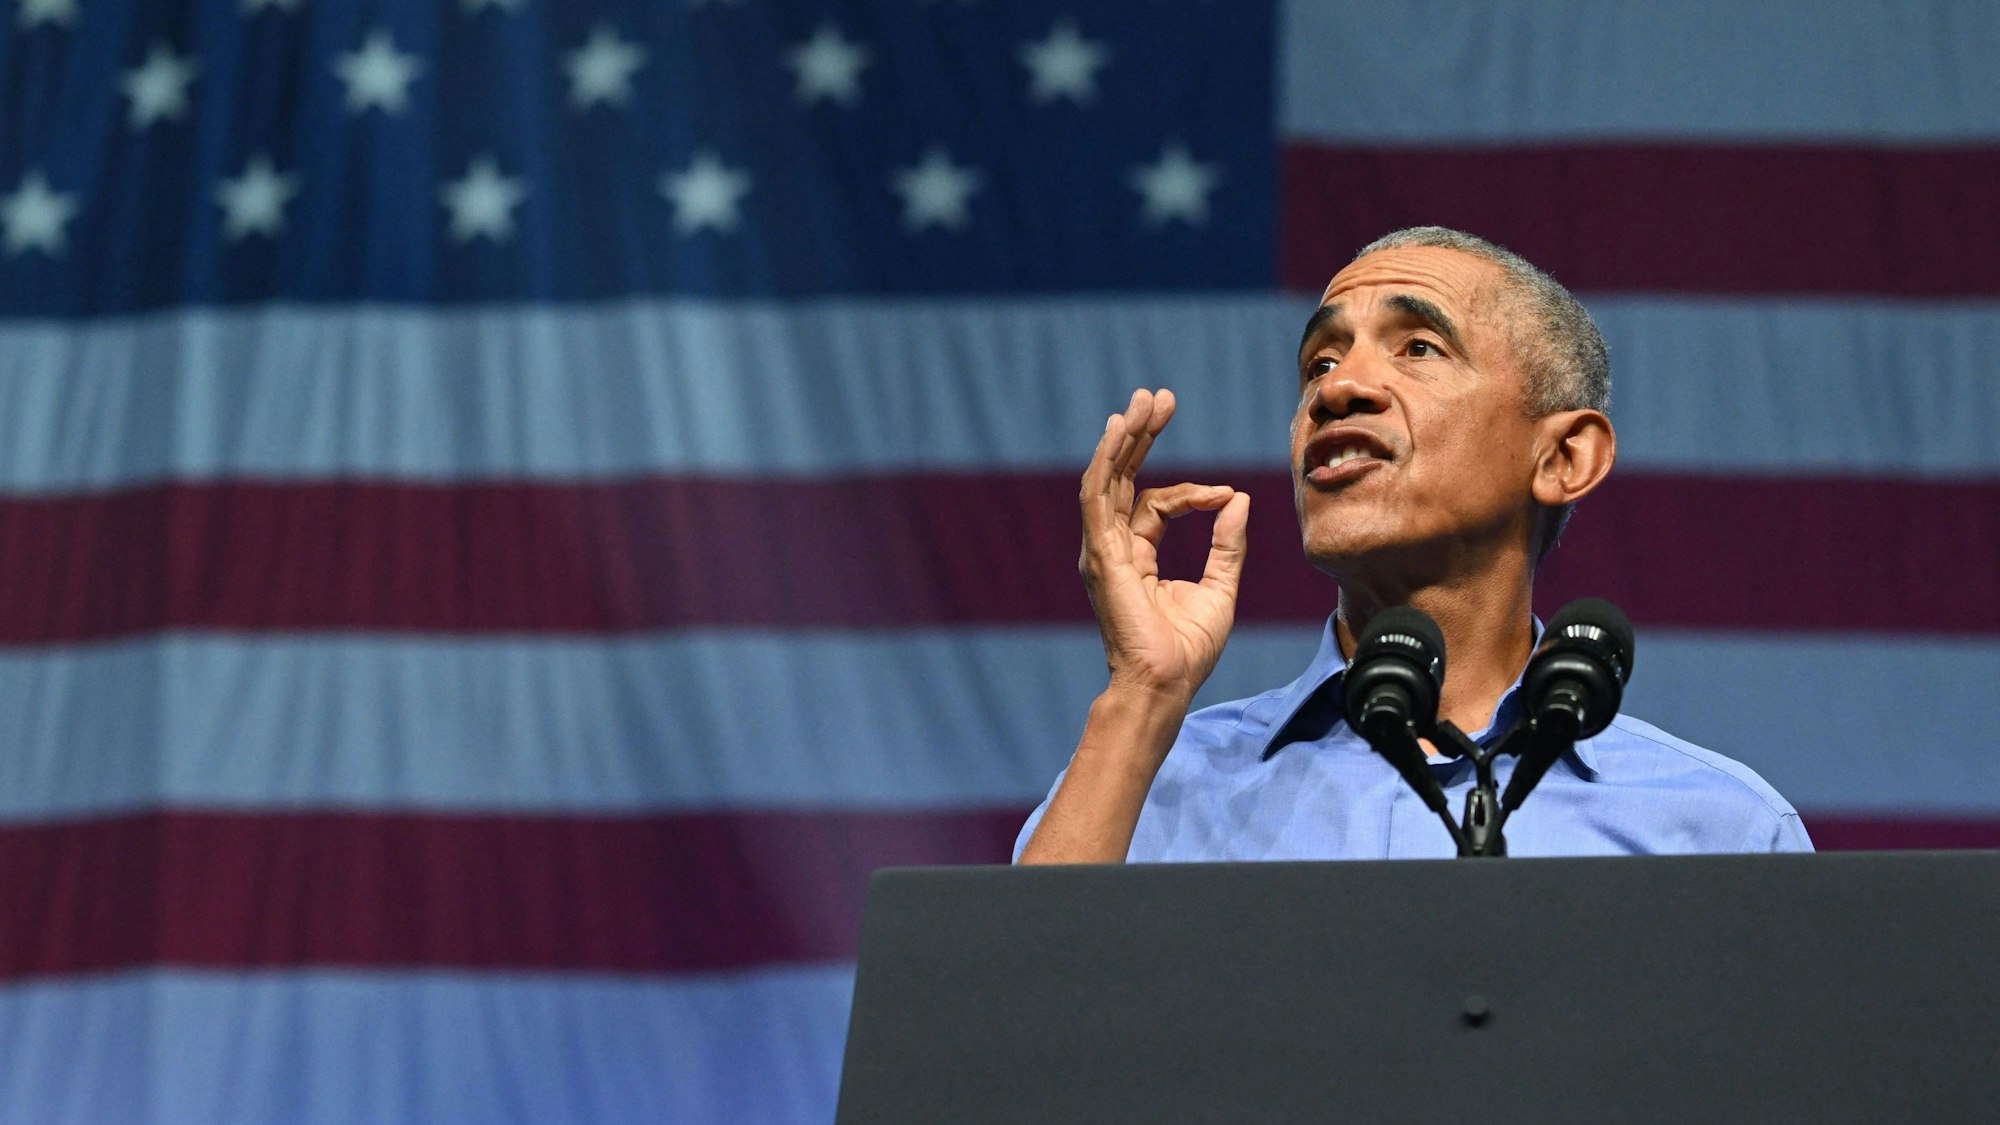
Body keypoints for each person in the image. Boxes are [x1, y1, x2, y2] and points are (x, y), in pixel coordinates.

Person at [1015, 226, 1811, 863]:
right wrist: (1142, 691)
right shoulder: (1150, 787)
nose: (1337, 389)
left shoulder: (1719, 830)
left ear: (1564, 458)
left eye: (1418, 348)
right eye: (1320, 362)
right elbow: (1010, 1010)